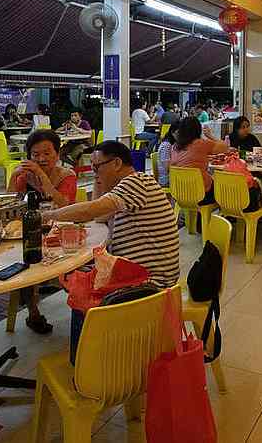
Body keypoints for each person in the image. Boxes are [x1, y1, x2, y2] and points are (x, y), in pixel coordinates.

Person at [42, 140, 179, 362]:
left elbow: (91, 210)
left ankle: (85, 367)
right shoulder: (132, 187)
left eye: (97, 167)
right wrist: (100, 178)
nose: (95, 173)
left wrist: (47, 216)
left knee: (81, 292)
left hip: (149, 285)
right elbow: (100, 216)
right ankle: (94, 351)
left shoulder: (136, 183)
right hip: (142, 274)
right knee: (81, 277)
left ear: (116, 163)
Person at [7, 130, 77, 334]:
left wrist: (41, 175)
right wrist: (14, 176)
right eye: (35, 154)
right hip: (29, 232)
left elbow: (64, 206)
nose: (41, 158)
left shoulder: (67, 175)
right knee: (23, 259)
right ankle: (33, 312)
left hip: (60, 233)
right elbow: (10, 204)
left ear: (58, 153)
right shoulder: (25, 175)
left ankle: (80, 306)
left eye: (47, 153)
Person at [168, 117, 229, 204]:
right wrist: (210, 135)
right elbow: (225, 147)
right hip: (201, 195)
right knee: (225, 188)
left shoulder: (175, 146)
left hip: (179, 194)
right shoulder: (201, 143)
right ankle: (229, 210)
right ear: (198, 130)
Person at [155, 124, 178, 188]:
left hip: (171, 177)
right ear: (173, 132)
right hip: (166, 180)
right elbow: (167, 168)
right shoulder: (166, 146)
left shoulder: (172, 144)